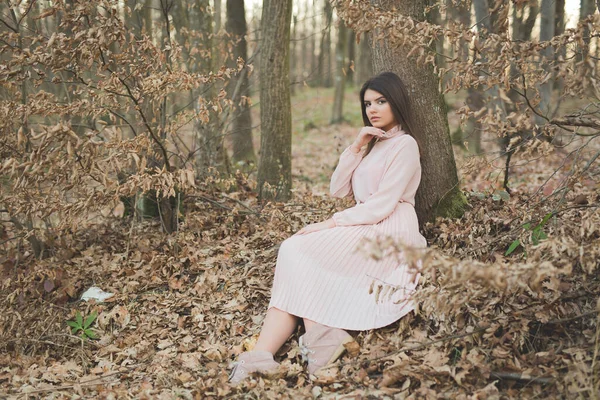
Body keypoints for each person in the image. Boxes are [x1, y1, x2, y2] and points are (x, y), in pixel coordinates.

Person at [228, 72, 428, 385]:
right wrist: (357, 147)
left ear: (396, 102)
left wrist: (330, 223)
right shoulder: (374, 144)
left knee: (296, 248)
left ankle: (317, 342)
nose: (373, 109)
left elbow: (382, 204)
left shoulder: (405, 145)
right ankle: (265, 354)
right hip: (366, 220)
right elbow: (338, 189)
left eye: (381, 101)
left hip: (390, 227)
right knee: (294, 250)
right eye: (367, 103)